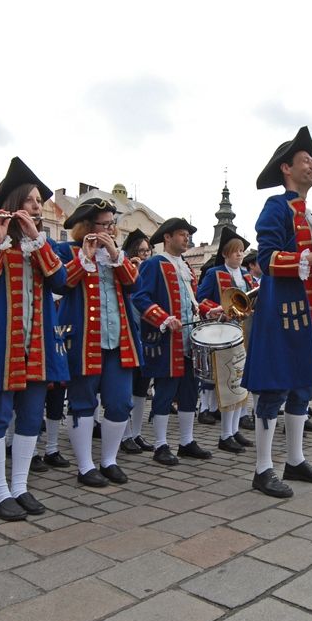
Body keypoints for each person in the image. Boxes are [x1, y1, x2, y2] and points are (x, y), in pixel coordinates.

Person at [240, 126, 312, 497]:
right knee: (275, 388)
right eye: (305, 160)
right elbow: (267, 259)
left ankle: (295, 460)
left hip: (311, 315)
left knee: (302, 386)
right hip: (283, 312)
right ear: (287, 168)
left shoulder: (310, 215)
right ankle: (262, 468)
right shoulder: (276, 207)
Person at [0, 157, 68, 520]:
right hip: (1, 341)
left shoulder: (44, 242)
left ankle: (21, 486)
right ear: (13, 204)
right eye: (31, 201)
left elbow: (59, 283)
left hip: (38, 343)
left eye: (39, 202)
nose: (37, 207)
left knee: (30, 416)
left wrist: (38, 242)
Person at [57, 198, 143, 487]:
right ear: (86, 227)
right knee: (82, 401)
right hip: (83, 338)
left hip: (118, 340)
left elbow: (133, 284)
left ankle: (109, 460)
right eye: (103, 224)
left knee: (120, 402)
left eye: (111, 223)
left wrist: (114, 253)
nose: (109, 228)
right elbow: (63, 283)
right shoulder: (68, 251)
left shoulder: (117, 255)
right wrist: (86, 256)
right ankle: (85, 466)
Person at [132, 217, 213, 467]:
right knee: (165, 392)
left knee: (190, 390)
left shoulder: (186, 267)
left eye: (188, 234)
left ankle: (187, 441)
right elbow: (140, 297)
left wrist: (208, 310)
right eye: (181, 234)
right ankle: (160, 445)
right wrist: (163, 318)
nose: (186, 238)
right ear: (167, 237)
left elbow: (193, 300)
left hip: (190, 339)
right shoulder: (154, 264)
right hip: (167, 340)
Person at [196, 227, 256, 453]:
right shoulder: (214, 273)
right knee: (228, 381)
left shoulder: (248, 276)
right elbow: (200, 299)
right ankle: (225, 434)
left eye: (241, 251)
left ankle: (234, 430)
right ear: (225, 254)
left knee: (240, 381)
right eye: (235, 251)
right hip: (223, 332)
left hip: (244, 331)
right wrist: (218, 309)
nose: (240, 255)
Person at [120, 228, 156, 454]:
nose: (144, 255)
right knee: (126, 388)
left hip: (146, 333)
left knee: (141, 387)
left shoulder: (149, 270)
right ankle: (124, 435)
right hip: (128, 333)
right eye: (140, 251)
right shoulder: (125, 267)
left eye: (147, 251)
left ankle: (136, 433)